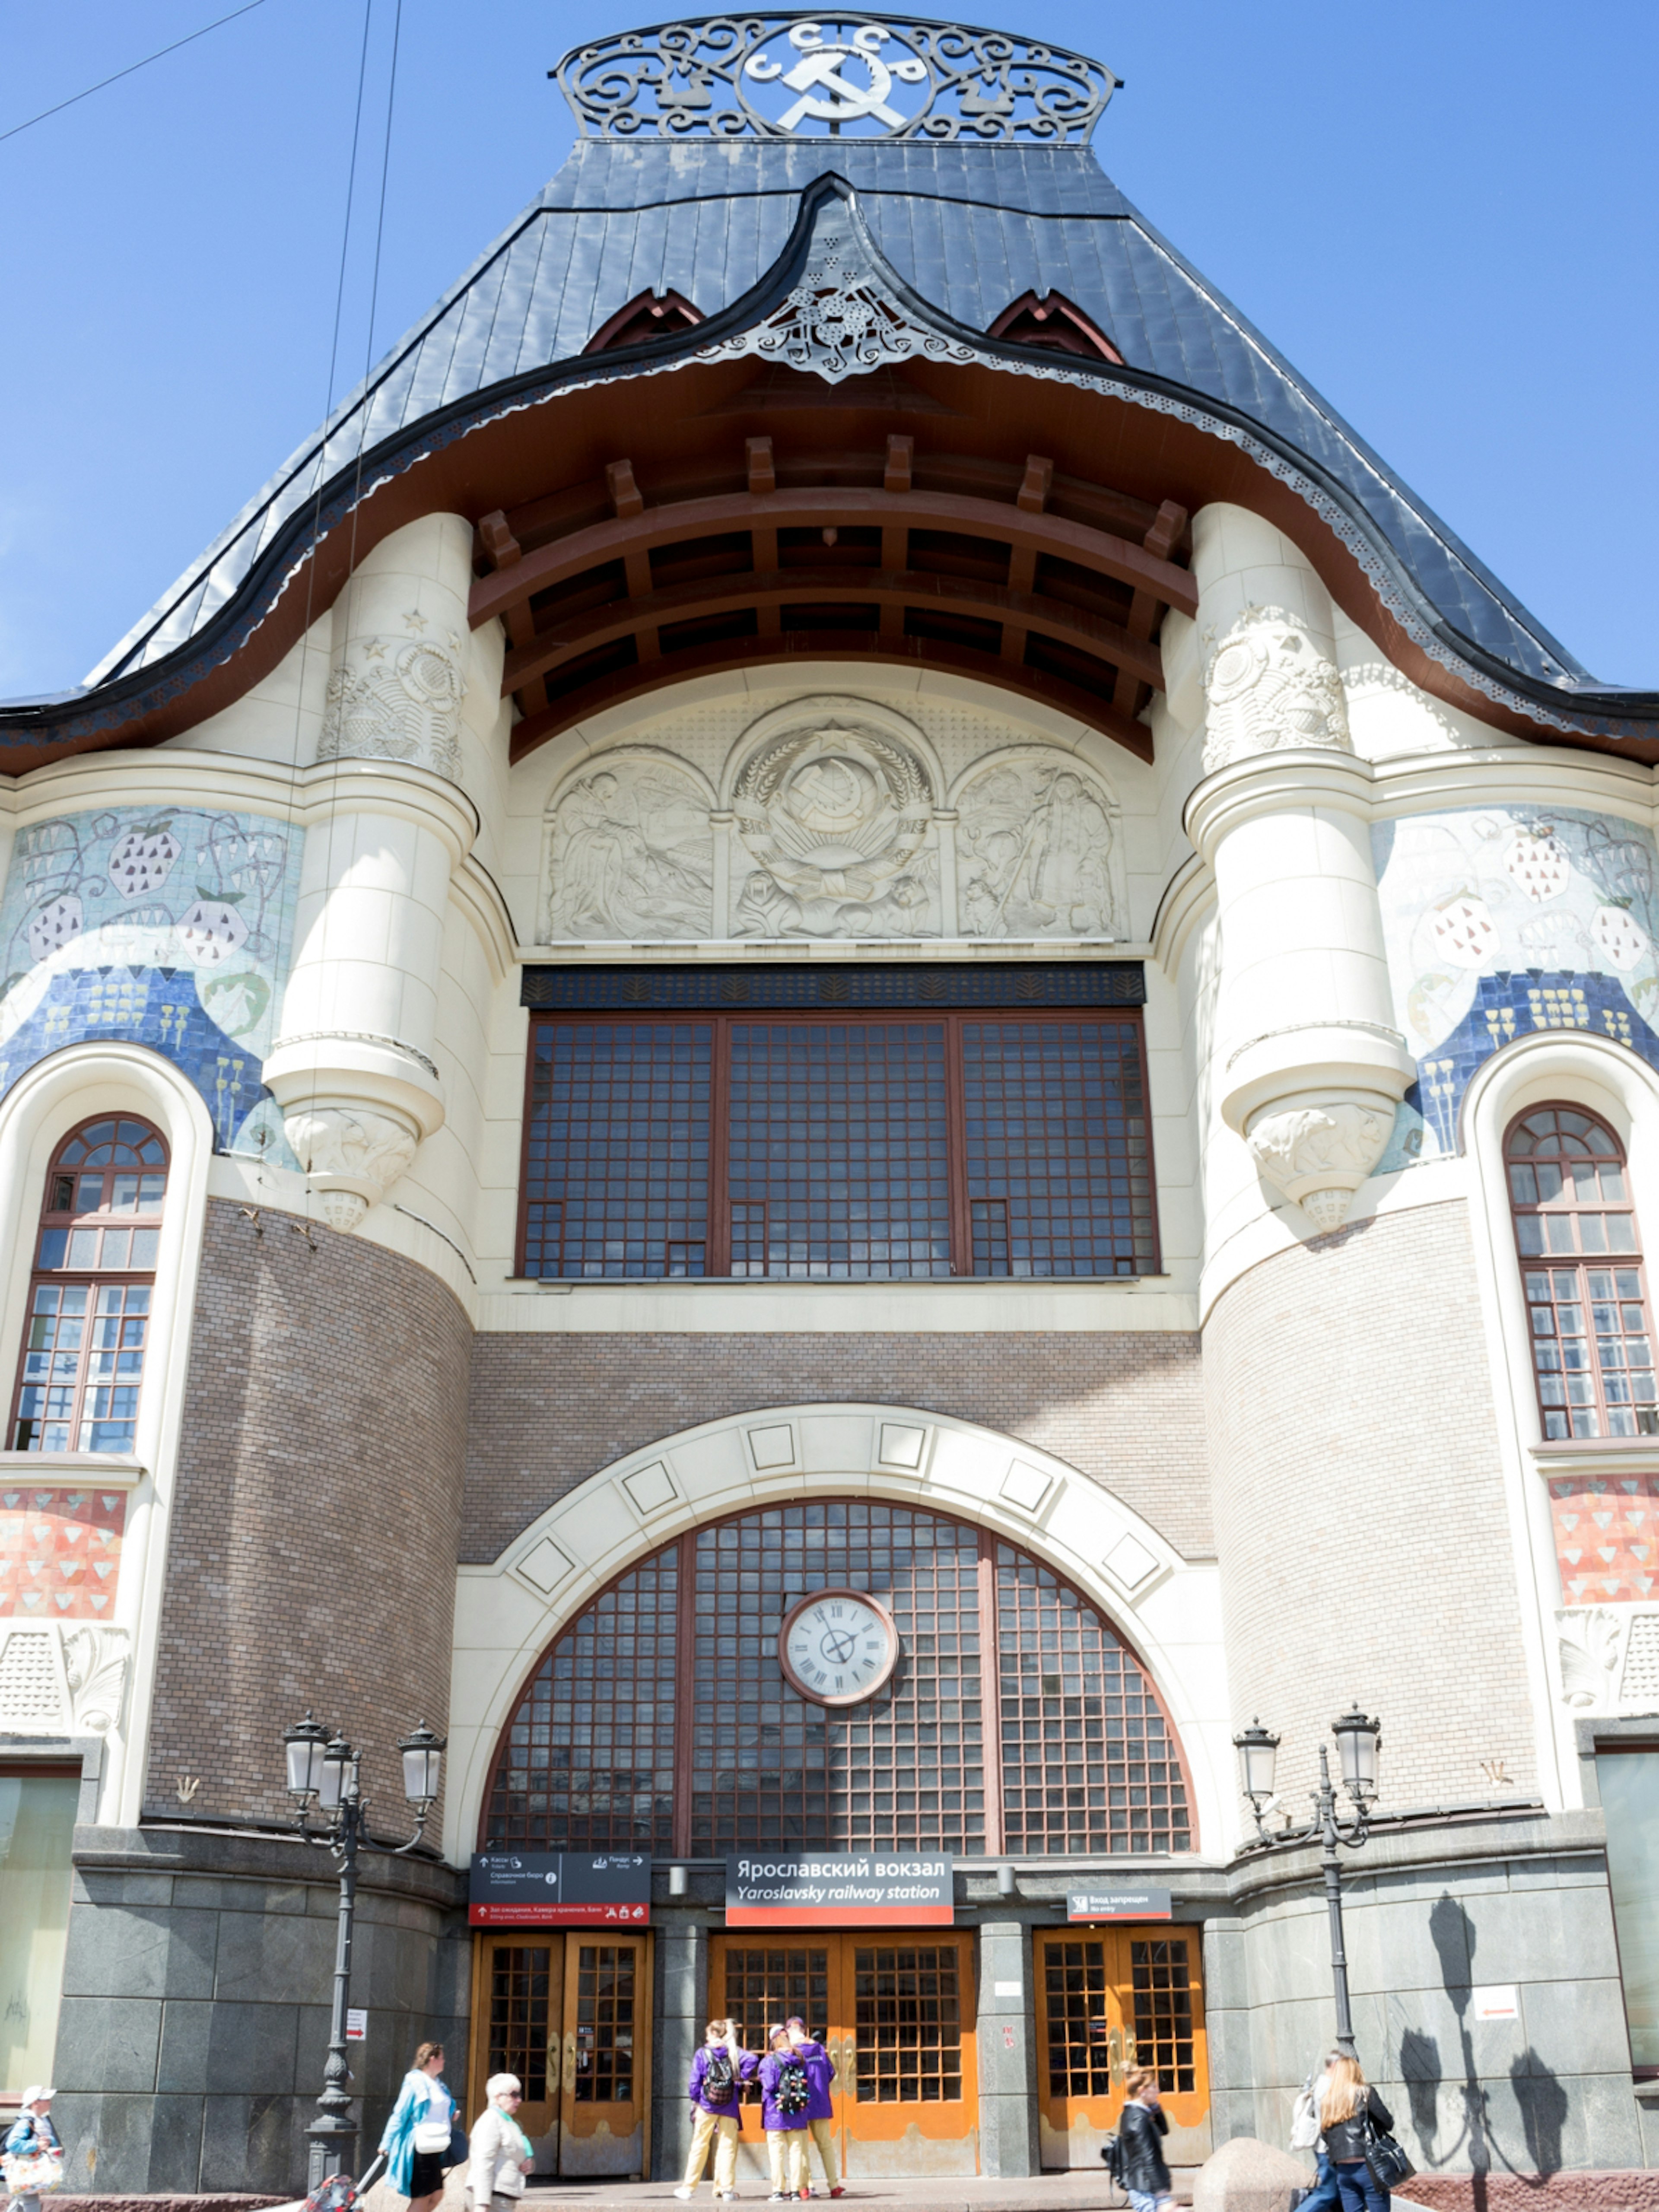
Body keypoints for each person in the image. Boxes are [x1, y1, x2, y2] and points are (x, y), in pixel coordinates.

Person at [676, 2018, 755, 2201]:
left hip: (707, 2105)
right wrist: (739, 2078)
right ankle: (726, 2189)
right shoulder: (733, 2052)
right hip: (729, 2106)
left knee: (699, 2145)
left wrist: (698, 2100)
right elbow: (752, 2059)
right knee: (727, 2147)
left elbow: (694, 2081)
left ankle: (689, 2188)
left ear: (712, 2034)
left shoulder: (703, 2053)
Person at [381, 2040, 458, 2212]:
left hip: (436, 2146)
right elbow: (400, 2114)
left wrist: (452, 2114)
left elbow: (442, 2109)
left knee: (437, 2194)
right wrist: (387, 2143)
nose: (444, 2061)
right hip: (420, 2148)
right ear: (433, 2059)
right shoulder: (415, 2081)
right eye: (442, 2058)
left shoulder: (439, 2084)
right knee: (423, 2196)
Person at [1318, 2054, 1394, 2212]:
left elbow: (1325, 2134)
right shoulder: (1365, 2093)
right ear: (1356, 2072)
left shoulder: (1329, 2100)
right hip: (1368, 2166)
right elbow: (1387, 2122)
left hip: (1343, 2170)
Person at [784, 2017, 843, 2199]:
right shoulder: (818, 2049)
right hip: (820, 2104)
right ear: (805, 2030)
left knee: (801, 2148)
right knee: (826, 2145)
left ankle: (806, 2187)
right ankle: (834, 2185)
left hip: (799, 2104)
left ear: (788, 2032)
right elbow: (831, 2073)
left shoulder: (792, 2052)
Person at [758, 2026, 810, 2202]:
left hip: (775, 2113)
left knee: (777, 2153)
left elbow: (769, 2086)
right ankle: (796, 2191)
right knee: (797, 2152)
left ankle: (778, 2191)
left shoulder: (769, 2061)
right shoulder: (800, 2059)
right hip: (798, 2112)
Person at [468, 2073, 534, 2212]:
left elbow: (515, 2154)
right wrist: (481, 2204)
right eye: (514, 2095)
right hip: (492, 2198)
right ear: (498, 2097)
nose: (519, 2100)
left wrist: (529, 2164)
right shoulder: (491, 2121)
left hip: (502, 2197)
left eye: (520, 2095)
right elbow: (483, 2163)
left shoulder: (507, 2122)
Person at [1116, 2066, 1173, 2212]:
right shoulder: (1138, 2119)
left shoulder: (1140, 2114)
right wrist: (1162, 2195)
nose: (1158, 2092)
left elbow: (1164, 2130)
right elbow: (1148, 2158)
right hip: (1145, 2189)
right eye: (1154, 2087)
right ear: (1143, 2091)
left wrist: (1155, 2106)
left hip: (1146, 2186)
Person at [1289, 2053, 1342, 2212]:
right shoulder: (1327, 2087)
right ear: (1334, 2067)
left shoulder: (1321, 2085)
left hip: (1326, 2147)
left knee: (1338, 2192)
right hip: (1326, 2148)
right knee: (1328, 2192)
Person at [3, 2088, 60, 2212]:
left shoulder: (43, 2120)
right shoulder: (26, 2122)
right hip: (24, 2169)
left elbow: (52, 2141)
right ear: (36, 2103)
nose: (50, 2101)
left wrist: (49, 2141)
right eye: (46, 2099)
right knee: (31, 2200)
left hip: (32, 2169)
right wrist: (37, 2145)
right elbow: (12, 2144)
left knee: (20, 2200)